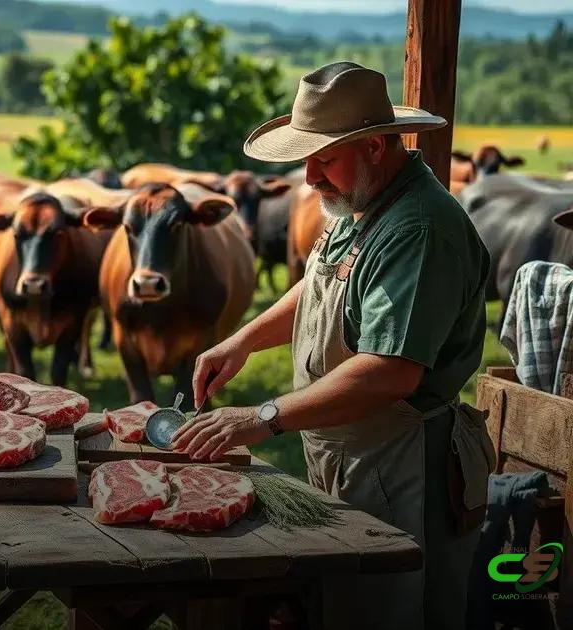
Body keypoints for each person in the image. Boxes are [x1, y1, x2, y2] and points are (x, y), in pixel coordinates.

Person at [171, 61, 496, 630]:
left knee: (388, 612)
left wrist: (262, 415)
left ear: (374, 146)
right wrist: (244, 340)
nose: (309, 177)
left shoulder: (418, 228)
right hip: (349, 447)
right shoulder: (365, 200)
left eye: (324, 158)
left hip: (400, 461)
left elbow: (389, 373)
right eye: (307, 158)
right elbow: (325, 278)